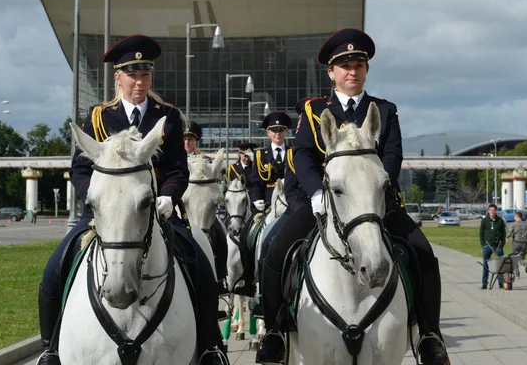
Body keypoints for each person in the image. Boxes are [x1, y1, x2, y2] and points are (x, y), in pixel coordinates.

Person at [256, 28, 448, 365]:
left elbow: (392, 153)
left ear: (366, 70)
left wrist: (378, 184)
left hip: (377, 203)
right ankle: (274, 333)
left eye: (358, 65)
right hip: (325, 202)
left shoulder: (383, 110)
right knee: (275, 250)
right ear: (331, 73)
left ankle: (430, 335)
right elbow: (302, 154)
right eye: (344, 66)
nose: (352, 71)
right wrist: (317, 192)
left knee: (423, 254)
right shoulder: (315, 111)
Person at [36, 35, 227, 365]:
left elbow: (177, 170)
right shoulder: (98, 117)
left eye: (145, 75)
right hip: (103, 215)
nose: (139, 82)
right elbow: (80, 168)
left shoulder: (166, 115)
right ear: (118, 78)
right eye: (132, 75)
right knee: (56, 266)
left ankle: (210, 346)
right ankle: (50, 348)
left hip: (158, 214)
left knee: (200, 265)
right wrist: (96, 198)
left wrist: (168, 196)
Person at [183, 120, 230, 296]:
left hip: (203, 212)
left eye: (191, 139)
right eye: (184, 139)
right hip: (179, 208)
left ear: (196, 141)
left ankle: (219, 278)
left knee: (220, 233)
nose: (187, 143)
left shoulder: (207, 162)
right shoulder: (173, 159)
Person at [250, 111, 292, 211]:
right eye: (274, 130)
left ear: (285, 132)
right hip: (267, 202)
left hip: (290, 200)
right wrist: (256, 199)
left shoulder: (293, 153)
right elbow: (256, 182)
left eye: (281, 130)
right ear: (268, 133)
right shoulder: (260, 155)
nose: (277, 133)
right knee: (251, 224)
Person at [479, 204, 506, 289]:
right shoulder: (484, 221)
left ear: (496, 211)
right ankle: (484, 283)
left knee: (500, 265)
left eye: (493, 210)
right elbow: (481, 233)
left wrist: (502, 243)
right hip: (487, 246)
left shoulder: (500, 221)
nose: (492, 212)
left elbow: (503, 233)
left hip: (498, 246)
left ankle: (501, 282)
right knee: (485, 264)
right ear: (488, 211)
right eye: (490, 210)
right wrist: (483, 244)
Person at [506, 211, 527, 276]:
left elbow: (509, 233)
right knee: (521, 257)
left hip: (516, 243)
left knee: (514, 258)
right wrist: (525, 236)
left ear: (517, 216)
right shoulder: (526, 224)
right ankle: (525, 264)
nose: (514, 217)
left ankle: (517, 273)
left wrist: (507, 237)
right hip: (524, 243)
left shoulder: (513, 224)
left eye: (515, 216)